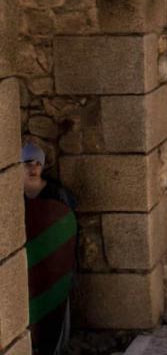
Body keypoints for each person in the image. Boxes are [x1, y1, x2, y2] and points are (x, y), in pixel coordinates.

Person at [22, 142, 77, 355]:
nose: (33, 168)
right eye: (27, 163)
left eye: (37, 163)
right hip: (27, 267)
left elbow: (67, 231)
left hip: (55, 268)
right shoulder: (12, 195)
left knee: (57, 308)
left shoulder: (57, 195)